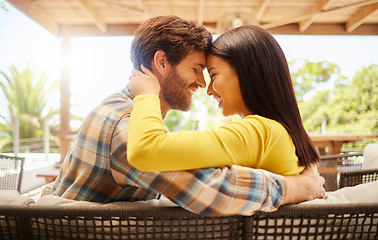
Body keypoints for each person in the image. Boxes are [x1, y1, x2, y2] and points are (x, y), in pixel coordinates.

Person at [41, 16, 325, 216]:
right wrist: (296, 186)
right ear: (162, 62)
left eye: (210, 73)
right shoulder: (123, 128)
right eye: (198, 69)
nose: (203, 85)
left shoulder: (125, 113)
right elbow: (216, 191)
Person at [127, 24, 320, 178]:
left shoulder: (260, 133)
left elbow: (145, 150)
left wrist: (146, 95)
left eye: (213, 74)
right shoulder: (276, 132)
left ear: (247, 73)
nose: (208, 89)